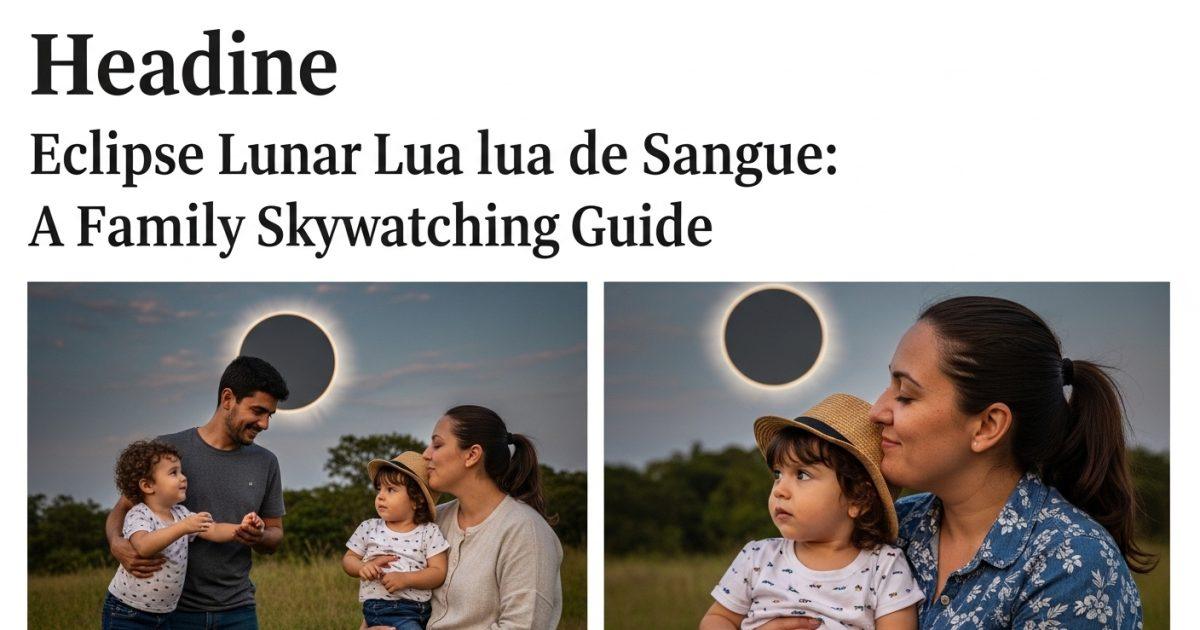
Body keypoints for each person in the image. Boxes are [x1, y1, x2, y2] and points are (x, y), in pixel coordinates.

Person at [870, 296, 1149, 628]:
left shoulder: (1073, 565)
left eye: (905, 395)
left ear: (988, 426)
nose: (877, 411)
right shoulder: (892, 525)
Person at [701, 393, 923, 630]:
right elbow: (717, 619)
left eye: (802, 475)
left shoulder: (884, 567)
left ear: (859, 498)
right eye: (777, 474)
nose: (780, 490)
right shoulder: (757, 558)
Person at [106, 355, 290, 629]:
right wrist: (115, 543)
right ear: (228, 399)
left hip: (238, 610)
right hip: (172, 613)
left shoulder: (266, 462)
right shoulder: (168, 451)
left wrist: (258, 535)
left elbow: (275, 535)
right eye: (257, 411)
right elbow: (121, 511)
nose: (264, 424)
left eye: (269, 415)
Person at [422, 404, 563, 629]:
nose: (426, 454)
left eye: (437, 445)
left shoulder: (526, 531)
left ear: (472, 455)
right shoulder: (433, 520)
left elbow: (523, 625)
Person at [103, 439, 260, 628]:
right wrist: (183, 527)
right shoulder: (140, 514)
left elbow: (215, 529)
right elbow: (143, 546)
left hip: (166, 614)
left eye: (181, 471)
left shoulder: (180, 513)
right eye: (173, 473)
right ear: (147, 486)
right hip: (128, 612)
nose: (183, 477)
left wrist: (241, 527)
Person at [343, 451, 450, 630]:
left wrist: (406, 579)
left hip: (422, 610)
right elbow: (348, 560)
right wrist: (362, 567)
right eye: (379, 489)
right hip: (383, 608)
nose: (381, 496)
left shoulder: (429, 532)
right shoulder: (369, 528)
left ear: (417, 500)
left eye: (391, 490)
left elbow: (438, 572)